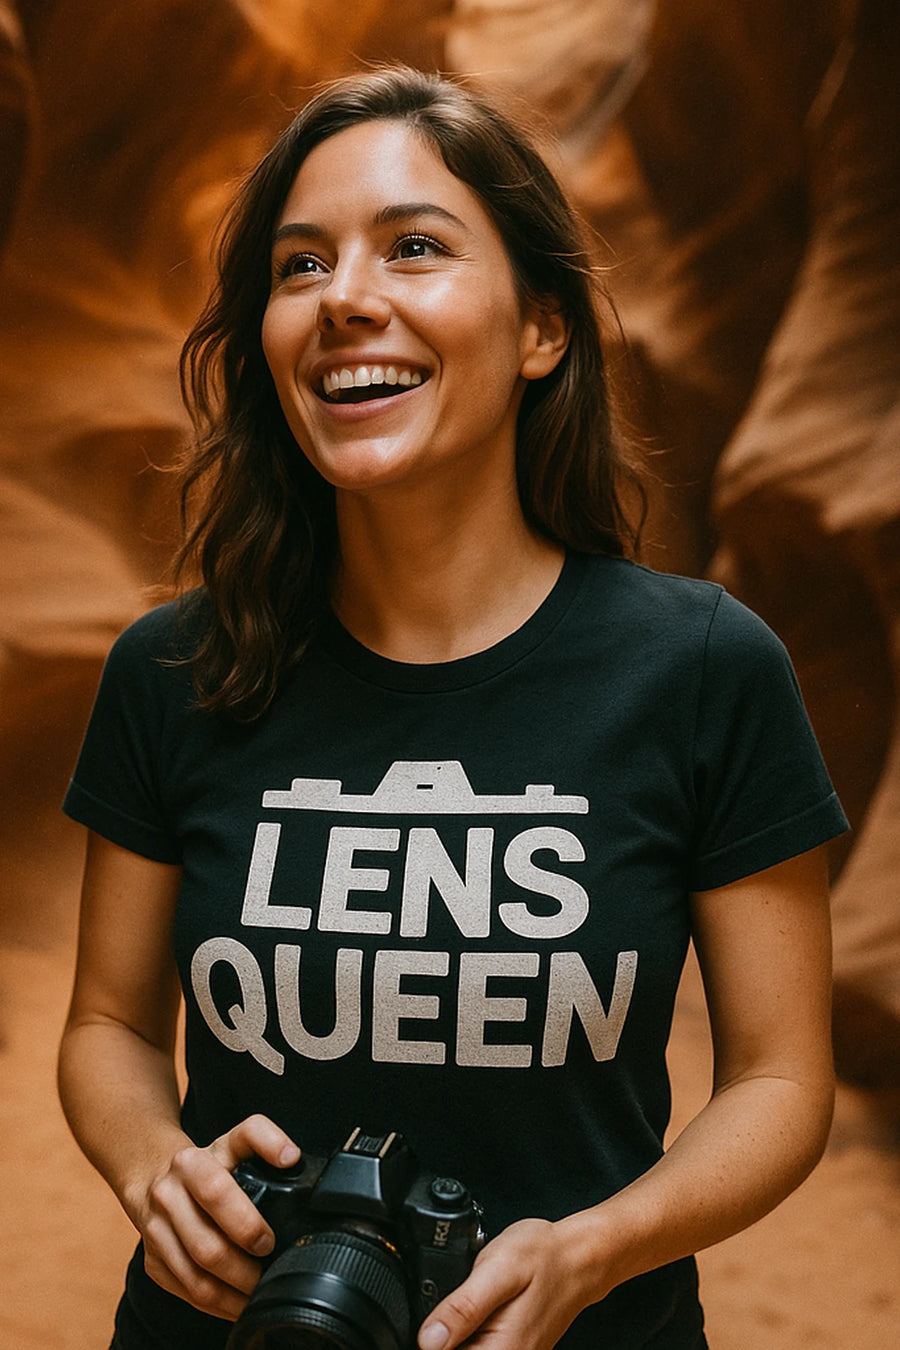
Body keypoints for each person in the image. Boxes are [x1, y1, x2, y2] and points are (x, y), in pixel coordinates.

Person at [57, 66, 848, 1350]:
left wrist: (598, 1249)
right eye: (299, 266)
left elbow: (779, 1077)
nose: (346, 300)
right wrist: (157, 1163)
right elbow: (105, 1024)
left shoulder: (705, 668)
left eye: (414, 248)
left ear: (543, 331)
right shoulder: (173, 669)